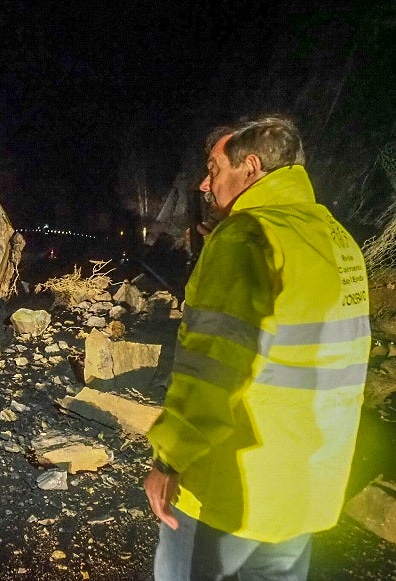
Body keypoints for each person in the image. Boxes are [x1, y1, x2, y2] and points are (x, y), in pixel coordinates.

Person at [144, 115, 370, 580]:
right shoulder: (337, 237)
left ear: (249, 168)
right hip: (310, 480)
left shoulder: (247, 237)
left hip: (233, 485)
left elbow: (211, 368)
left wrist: (169, 458)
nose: (205, 184)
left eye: (214, 169)